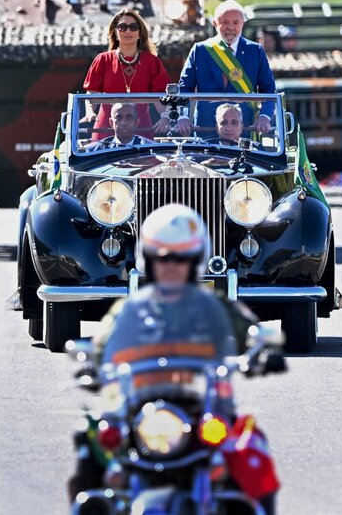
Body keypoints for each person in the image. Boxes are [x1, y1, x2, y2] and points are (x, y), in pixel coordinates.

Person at [69, 204, 280, 514]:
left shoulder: (216, 306)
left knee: (251, 446)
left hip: (203, 408)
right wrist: (92, 361)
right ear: (150, 261)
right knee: (91, 438)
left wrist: (264, 349)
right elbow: (102, 344)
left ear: (194, 262)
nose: (172, 266)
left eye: (181, 259)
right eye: (163, 258)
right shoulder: (129, 309)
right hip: (137, 410)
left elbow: (253, 332)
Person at [176, 0, 276, 137]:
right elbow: (184, 88)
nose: (230, 27)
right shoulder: (200, 50)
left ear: (243, 24)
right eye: (225, 22)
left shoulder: (255, 51)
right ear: (215, 23)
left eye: (236, 22)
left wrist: (265, 116)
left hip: (244, 128)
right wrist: (183, 116)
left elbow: (268, 90)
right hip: (206, 128)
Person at [83, 8, 172, 139]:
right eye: (122, 27)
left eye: (133, 27)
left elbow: (161, 97)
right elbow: (92, 93)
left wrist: (165, 117)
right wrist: (89, 111)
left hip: (141, 127)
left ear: (140, 32)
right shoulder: (102, 60)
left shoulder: (152, 62)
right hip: (106, 127)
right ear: (115, 31)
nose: (128, 31)